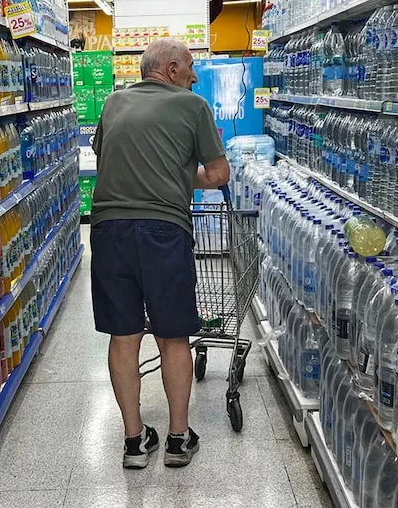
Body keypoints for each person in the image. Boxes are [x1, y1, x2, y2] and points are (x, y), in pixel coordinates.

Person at [89, 37, 231, 470]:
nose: (193, 75)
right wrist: (183, 176)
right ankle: (176, 438)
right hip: (163, 232)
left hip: (107, 229)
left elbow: (106, 154)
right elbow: (219, 173)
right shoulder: (193, 107)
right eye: (190, 67)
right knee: (172, 336)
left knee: (124, 336)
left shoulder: (114, 102)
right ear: (171, 69)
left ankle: (134, 442)